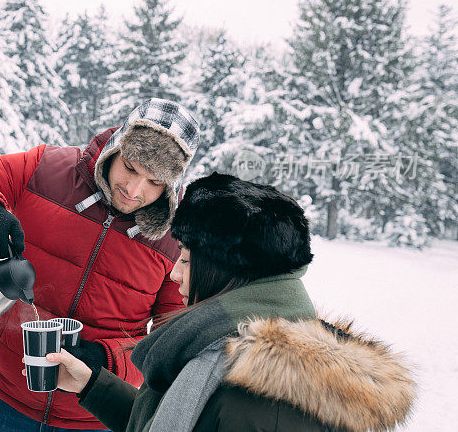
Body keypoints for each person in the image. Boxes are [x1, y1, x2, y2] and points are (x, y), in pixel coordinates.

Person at [44, 172, 416, 431]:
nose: (174, 274)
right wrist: (93, 385)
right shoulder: (243, 351)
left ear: (222, 274)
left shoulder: (251, 397)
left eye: (187, 260)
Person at [0, 98, 201, 430]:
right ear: (116, 148)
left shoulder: (178, 236)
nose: (134, 189)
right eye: (130, 167)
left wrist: (105, 361)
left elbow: (170, 342)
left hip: (92, 415)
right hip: (2, 400)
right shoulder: (46, 169)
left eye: (154, 182)